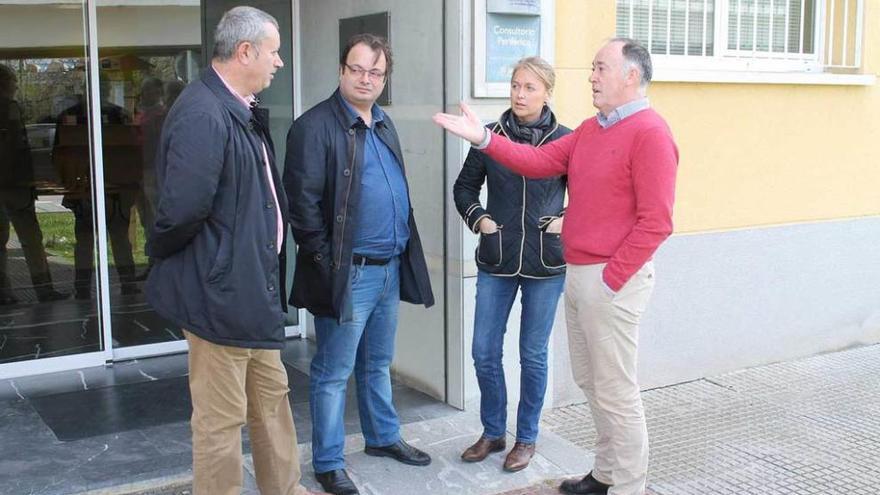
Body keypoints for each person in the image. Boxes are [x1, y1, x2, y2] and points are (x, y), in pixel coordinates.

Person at [433, 38, 678, 495]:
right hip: (579, 274)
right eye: (592, 67)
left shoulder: (650, 132)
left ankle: (627, 486)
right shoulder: (591, 130)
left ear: (630, 75)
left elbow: (657, 222)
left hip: (609, 282)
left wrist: (609, 281)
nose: (591, 76)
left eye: (600, 68)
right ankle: (604, 475)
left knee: (617, 392)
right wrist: (484, 139)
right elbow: (537, 160)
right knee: (592, 382)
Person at [144, 7, 324, 495]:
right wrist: (162, 253)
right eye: (274, 51)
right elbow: (180, 211)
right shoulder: (203, 112)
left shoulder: (235, 106)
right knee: (221, 421)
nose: (280, 62)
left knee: (272, 400)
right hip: (219, 295)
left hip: (249, 293)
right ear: (245, 52)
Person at [284, 33, 435, 495]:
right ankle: (328, 462)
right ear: (341, 71)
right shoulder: (313, 127)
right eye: (358, 69)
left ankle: (382, 437)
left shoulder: (384, 123)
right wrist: (329, 265)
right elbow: (302, 207)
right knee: (333, 371)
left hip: (389, 266)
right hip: (347, 272)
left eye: (376, 72)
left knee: (378, 361)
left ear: (383, 77)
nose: (366, 79)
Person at [453, 56, 570, 472]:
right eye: (516, 86)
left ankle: (527, 438)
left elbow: (591, 195)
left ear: (546, 93)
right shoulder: (490, 137)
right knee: (484, 351)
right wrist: (481, 220)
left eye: (530, 88)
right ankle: (492, 432)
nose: (520, 94)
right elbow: (465, 186)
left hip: (546, 264)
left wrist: (566, 220)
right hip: (497, 258)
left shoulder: (566, 139)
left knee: (532, 355)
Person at [0, 64, 68, 304]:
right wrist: (27, 178)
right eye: (13, 82)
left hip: (10, 183)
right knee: (30, 238)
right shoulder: (10, 108)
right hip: (15, 185)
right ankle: (44, 288)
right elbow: (16, 148)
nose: (17, 86)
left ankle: (4, 292)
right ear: (6, 84)